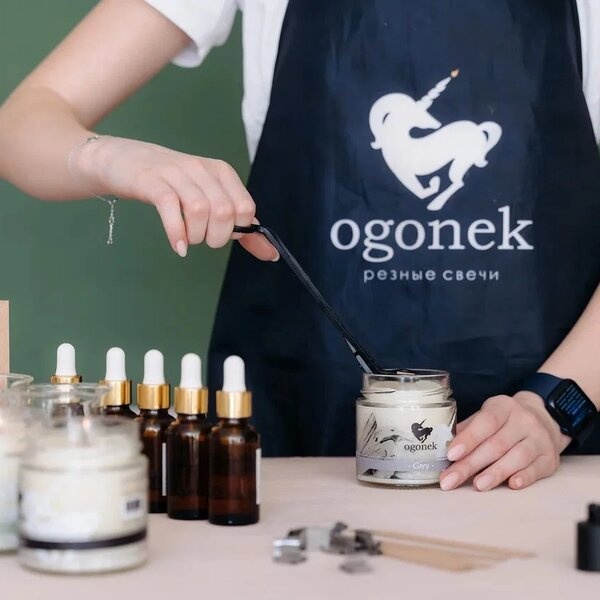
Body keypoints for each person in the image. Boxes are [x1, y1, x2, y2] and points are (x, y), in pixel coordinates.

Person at [0, 0, 599, 492]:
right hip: (301, 441)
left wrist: (554, 405)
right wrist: (114, 158)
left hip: (547, 454)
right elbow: (22, 125)